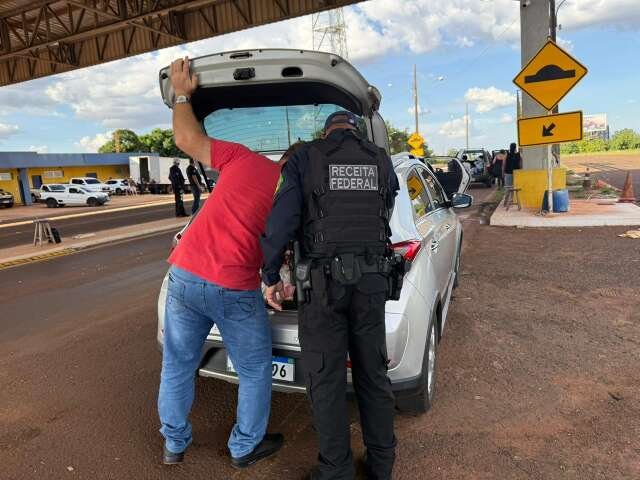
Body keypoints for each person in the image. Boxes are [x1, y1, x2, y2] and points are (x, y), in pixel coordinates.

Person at [158, 56, 290, 469]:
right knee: (253, 369)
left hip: (184, 274)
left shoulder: (242, 158)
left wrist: (183, 95)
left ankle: (173, 444)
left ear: (282, 159)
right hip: (233, 286)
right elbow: (282, 255)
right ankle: (244, 447)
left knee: (178, 363)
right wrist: (277, 283)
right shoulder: (296, 198)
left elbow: (185, 137)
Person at [261, 111, 400, 480]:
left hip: (323, 288)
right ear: (356, 130)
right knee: (373, 375)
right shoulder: (380, 159)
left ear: (326, 132)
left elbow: (281, 222)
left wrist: (271, 275)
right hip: (371, 283)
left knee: (326, 380)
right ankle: (382, 465)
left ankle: (336, 471)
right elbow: (385, 212)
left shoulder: (306, 157)